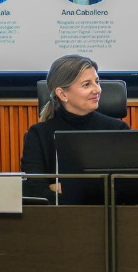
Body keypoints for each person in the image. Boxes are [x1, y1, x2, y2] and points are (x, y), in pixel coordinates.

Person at [20, 54, 129, 201]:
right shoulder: (39, 134)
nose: (97, 89)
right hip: (57, 218)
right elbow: (34, 190)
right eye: (87, 84)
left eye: (97, 82)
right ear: (62, 93)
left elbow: (126, 188)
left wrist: (62, 188)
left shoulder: (118, 130)